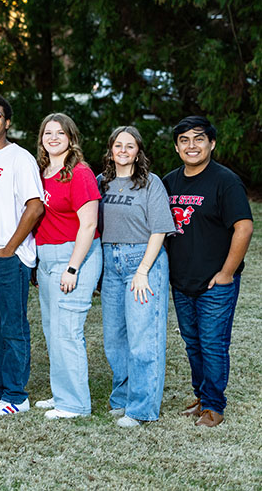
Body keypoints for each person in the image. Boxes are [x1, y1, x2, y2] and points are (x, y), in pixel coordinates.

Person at [163, 116, 253, 427]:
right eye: (184, 140)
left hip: (216, 282)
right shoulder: (169, 182)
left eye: (199, 139)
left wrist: (227, 272)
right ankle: (201, 396)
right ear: (176, 147)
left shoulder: (225, 181)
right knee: (193, 342)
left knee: (213, 343)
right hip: (182, 280)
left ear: (211, 144)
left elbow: (244, 227)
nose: (192, 145)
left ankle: (214, 405)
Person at [97, 126, 176, 427]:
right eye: (118, 145)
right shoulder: (101, 182)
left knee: (144, 338)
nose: (124, 150)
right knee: (115, 338)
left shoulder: (150, 183)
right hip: (111, 262)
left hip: (143, 261)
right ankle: (122, 398)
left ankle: (142, 409)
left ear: (138, 151)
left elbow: (159, 230)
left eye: (130, 146)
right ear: (111, 149)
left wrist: (143, 270)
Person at [0, 92, 44, 416]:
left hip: (9, 259)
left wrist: (10, 248)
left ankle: (16, 396)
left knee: (13, 328)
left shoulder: (20, 158)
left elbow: (35, 205)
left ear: (7, 122)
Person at [33, 113, 102, 420]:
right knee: (53, 330)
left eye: (60, 133)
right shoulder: (43, 171)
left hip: (74, 257)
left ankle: (75, 405)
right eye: (48, 133)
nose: (54, 137)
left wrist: (73, 268)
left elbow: (88, 225)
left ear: (71, 138)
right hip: (47, 258)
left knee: (67, 332)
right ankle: (62, 393)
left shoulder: (80, 173)